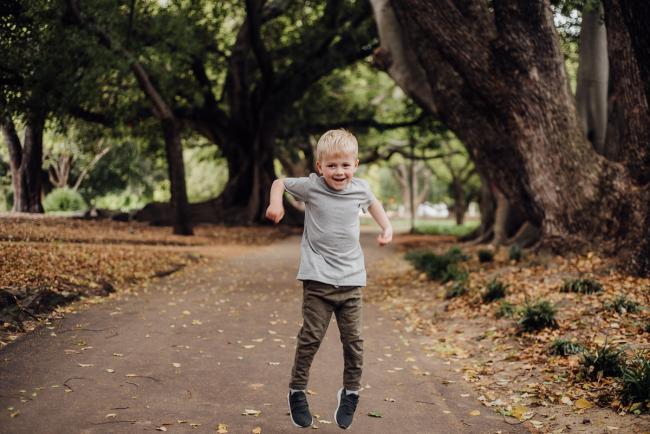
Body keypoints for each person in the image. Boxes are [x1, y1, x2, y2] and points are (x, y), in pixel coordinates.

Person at [265, 129, 393, 429]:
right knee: (310, 339)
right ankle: (297, 392)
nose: (339, 172)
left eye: (345, 165)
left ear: (356, 164)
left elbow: (373, 203)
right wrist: (277, 203)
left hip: (351, 283)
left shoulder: (360, 189)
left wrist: (387, 227)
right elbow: (279, 182)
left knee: (355, 342)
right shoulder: (311, 187)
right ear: (319, 166)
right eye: (332, 166)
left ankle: (350, 393)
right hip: (318, 282)